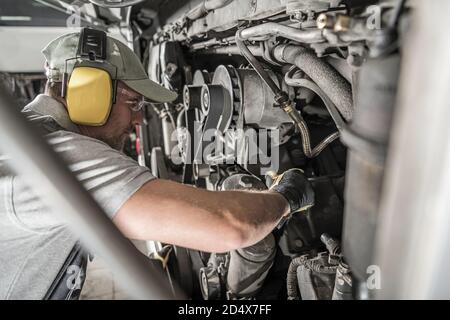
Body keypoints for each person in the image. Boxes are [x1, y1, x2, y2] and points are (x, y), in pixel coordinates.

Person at [0, 29, 314, 299]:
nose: (138, 120)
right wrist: (287, 195)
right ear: (90, 91)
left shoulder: (34, 142)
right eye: (133, 103)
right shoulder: (56, 158)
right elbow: (230, 225)